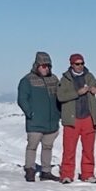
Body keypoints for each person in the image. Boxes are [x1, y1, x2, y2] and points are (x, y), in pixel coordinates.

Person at [57, 53, 96, 184]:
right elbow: (61, 96)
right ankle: (67, 174)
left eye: (82, 63)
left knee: (89, 149)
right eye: (77, 64)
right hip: (72, 119)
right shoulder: (65, 79)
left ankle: (88, 174)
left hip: (88, 118)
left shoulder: (89, 76)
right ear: (71, 64)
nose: (80, 66)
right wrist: (78, 93)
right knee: (69, 149)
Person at [17, 51, 61, 182]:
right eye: (43, 66)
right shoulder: (27, 80)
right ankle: (29, 170)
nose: (46, 68)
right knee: (32, 147)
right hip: (35, 122)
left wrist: (58, 114)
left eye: (48, 66)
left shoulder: (54, 79)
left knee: (48, 147)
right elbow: (22, 100)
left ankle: (46, 171)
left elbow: (60, 97)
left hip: (51, 122)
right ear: (37, 65)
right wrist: (30, 113)